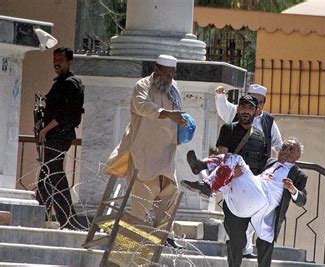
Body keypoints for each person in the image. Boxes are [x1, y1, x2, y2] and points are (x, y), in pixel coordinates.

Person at [183, 137, 308, 267]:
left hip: (263, 199)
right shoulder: (270, 162)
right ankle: (202, 169)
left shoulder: (298, 174)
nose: (286, 151)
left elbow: (302, 200)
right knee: (232, 162)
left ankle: (207, 179)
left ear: (297, 156)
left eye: (291, 149)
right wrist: (235, 174)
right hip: (251, 195)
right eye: (284, 147)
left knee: (236, 159)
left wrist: (293, 189)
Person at [104, 54, 187, 248]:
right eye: (165, 74)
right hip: (143, 153)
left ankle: (166, 236)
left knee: (169, 194)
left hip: (166, 153)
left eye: (171, 75)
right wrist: (166, 114)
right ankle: (128, 245)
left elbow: (179, 113)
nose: (168, 79)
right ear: (157, 69)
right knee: (141, 200)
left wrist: (184, 127)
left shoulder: (173, 89)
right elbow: (141, 106)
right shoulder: (142, 86)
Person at [215, 84, 283, 257]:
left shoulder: (268, 121)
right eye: (247, 104)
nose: (252, 108)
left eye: (257, 104)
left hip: (255, 177)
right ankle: (238, 248)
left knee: (254, 215)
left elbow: (277, 144)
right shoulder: (233, 122)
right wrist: (220, 97)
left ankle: (246, 248)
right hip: (235, 177)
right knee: (234, 217)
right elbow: (225, 110)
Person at [36, 47, 85, 230]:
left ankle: (67, 217)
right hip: (54, 136)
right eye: (54, 59)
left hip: (59, 136)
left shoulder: (70, 84)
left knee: (53, 174)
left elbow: (65, 113)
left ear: (69, 61)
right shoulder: (61, 82)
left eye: (60, 59)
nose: (57, 62)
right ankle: (43, 212)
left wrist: (46, 129)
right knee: (47, 175)